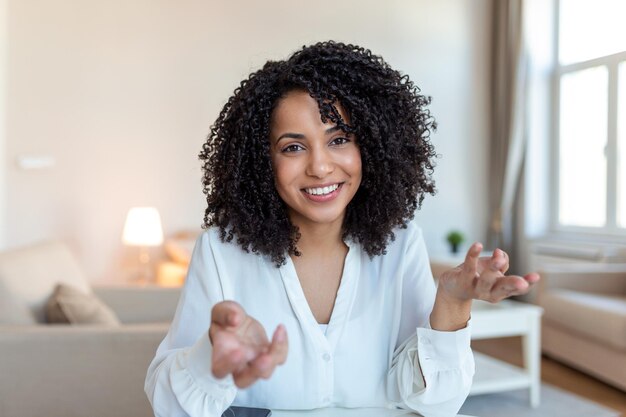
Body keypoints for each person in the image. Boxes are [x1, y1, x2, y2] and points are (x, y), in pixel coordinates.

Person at [144, 41, 539, 417]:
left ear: (370, 146)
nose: (319, 166)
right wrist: (211, 354)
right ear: (262, 162)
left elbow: (436, 404)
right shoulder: (220, 250)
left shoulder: (401, 243)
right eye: (293, 147)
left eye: (339, 139)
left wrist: (452, 305)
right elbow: (169, 406)